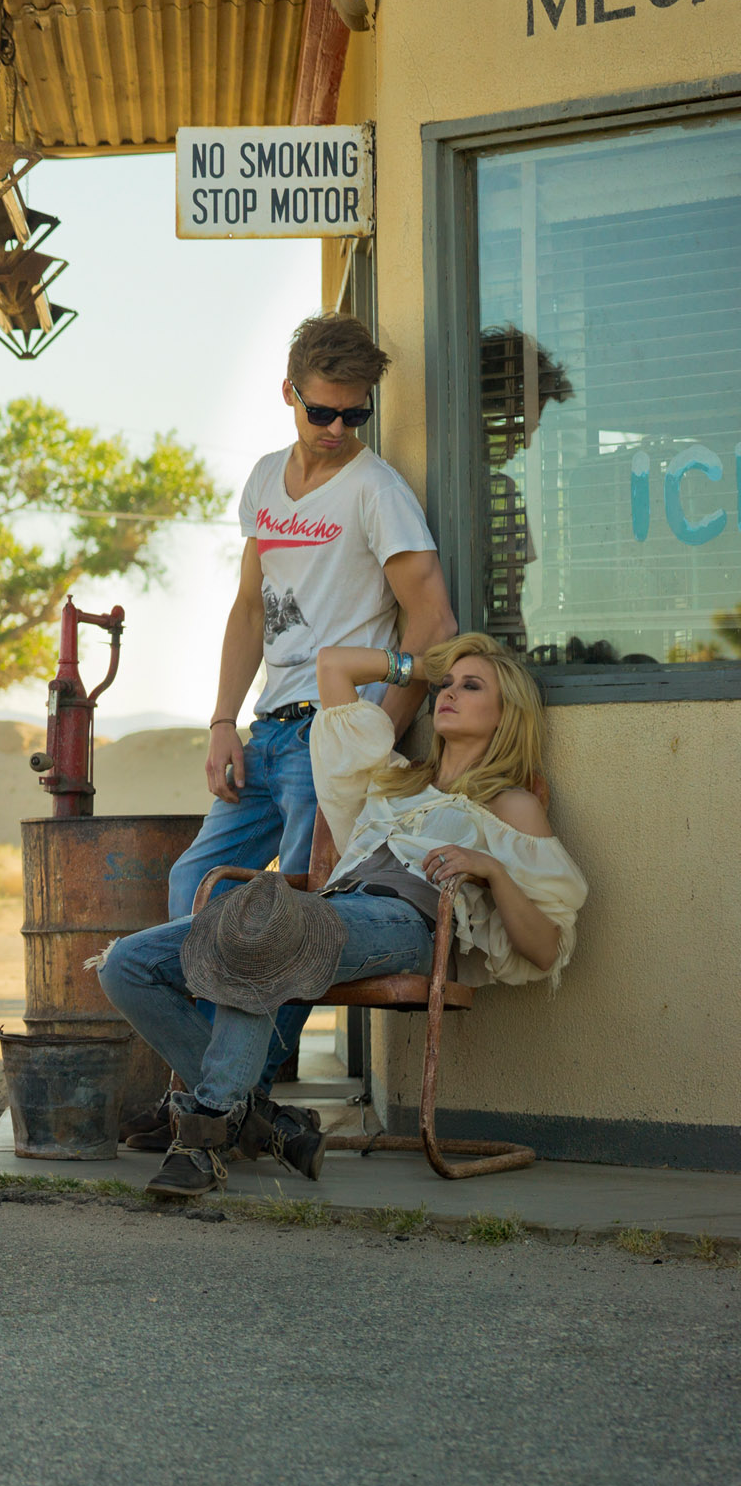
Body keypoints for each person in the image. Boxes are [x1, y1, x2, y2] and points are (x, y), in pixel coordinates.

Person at [100, 632, 588, 1200]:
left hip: (406, 926)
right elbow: (332, 667)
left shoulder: (511, 804)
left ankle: (205, 1136)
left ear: (508, 714)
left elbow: (548, 946)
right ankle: (257, 1117)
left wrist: (491, 870)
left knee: (270, 928)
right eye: (445, 684)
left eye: (471, 685)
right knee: (126, 964)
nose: (447, 692)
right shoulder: (392, 776)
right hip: (331, 910)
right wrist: (422, 664)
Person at [147, 313, 457, 1118]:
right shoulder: (261, 480)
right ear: (288, 394)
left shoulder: (379, 491)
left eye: (355, 414)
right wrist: (222, 721)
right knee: (194, 881)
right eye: (322, 411)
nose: (337, 428)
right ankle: (236, 1092)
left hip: (333, 733)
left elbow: (433, 623)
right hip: (266, 730)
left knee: (289, 911)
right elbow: (250, 607)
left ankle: (231, 1094)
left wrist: (380, 724)